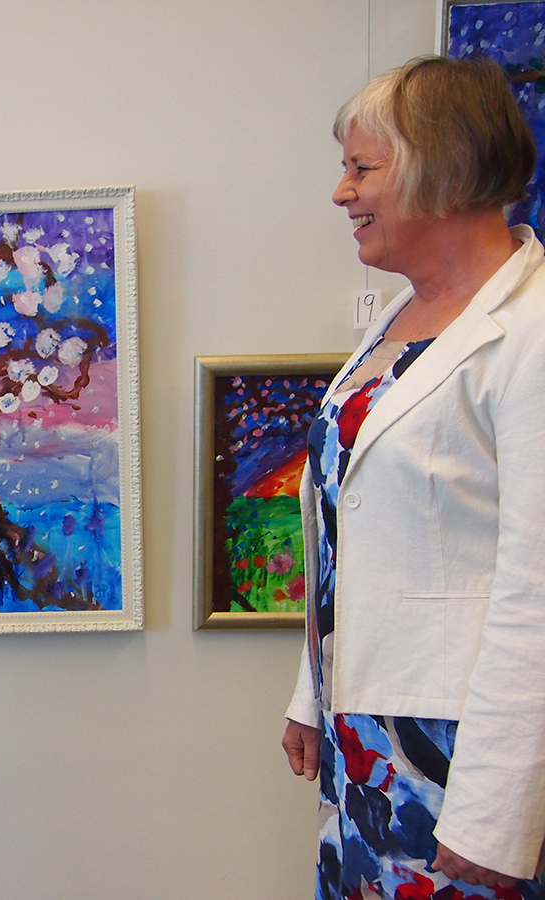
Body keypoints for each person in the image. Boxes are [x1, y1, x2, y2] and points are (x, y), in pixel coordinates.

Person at [280, 55, 545, 898]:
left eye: (362, 168)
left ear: (445, 166)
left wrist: (498, 808)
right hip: (368, 728)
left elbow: (534, 588)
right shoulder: (403, 319)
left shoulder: (531, 331)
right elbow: (352, 520)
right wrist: (311, 690)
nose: (340, 192)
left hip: (461, 751)